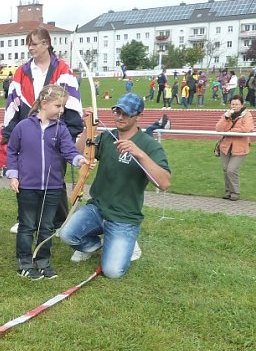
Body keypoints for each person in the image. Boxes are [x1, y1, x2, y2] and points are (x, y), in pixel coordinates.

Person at [57, 93, 171, 278]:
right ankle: (93, 245)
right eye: (117, 111)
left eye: (126, 113)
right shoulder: (106, 138)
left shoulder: (149, 145)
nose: (120, 117)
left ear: (138, 116)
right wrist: (88, 127)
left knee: (112, 272)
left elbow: (164, 183)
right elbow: (77, 155)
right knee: (66, 234)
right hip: (98, 208)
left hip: (125, 216)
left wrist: (139, 154)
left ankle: (129, 243)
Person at [2, 27, 84, 230]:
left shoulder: (62, 70)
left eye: (34, 43)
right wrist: (10, 133)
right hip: (28, 133)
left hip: (55, 134)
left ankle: (58, 221)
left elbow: (71, 107)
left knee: (54, 178)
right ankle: (25, 218)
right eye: (28, 44)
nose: (30, 48)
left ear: (46, 44)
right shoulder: (22, 72)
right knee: (26, 177)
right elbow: (14, 105)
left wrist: (65, 134)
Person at [7, 85, 88, 280]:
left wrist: (80, 160)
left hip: (52, 187)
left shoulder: (61, 128)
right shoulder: (23, 127)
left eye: (63, 106)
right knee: (27, 226)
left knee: (47, 227)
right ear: (44, 104)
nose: (61, 110)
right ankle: (25, 263)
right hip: (27, 187)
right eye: (58, 105)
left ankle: (43, 261)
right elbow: (12, 151)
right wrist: (13, 175)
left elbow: (69, 150)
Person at [215, 96, 254, 201]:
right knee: (225, 169)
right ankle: (228, 192)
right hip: (225, 147)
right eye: (232, 104)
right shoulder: (227, 114)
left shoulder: (247, 115)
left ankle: (235, 192)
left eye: (237, 104)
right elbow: (218, 128)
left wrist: (230, 131)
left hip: (240, 147)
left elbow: (246, 129)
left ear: (241, 105)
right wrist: (225, 118)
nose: (234, 106)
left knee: (231, 170)